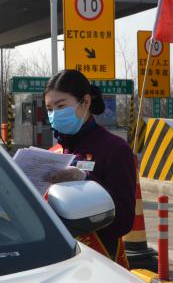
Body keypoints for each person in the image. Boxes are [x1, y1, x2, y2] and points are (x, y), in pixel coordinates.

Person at [43, 69, 136, 268]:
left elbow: (124, 220)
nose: (54, 115)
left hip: (101, 263)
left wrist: (85, 182)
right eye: (50, 109)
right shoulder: (53, 153)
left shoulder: (114, 149)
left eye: (61, 106)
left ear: (85, 102)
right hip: (60, 262)